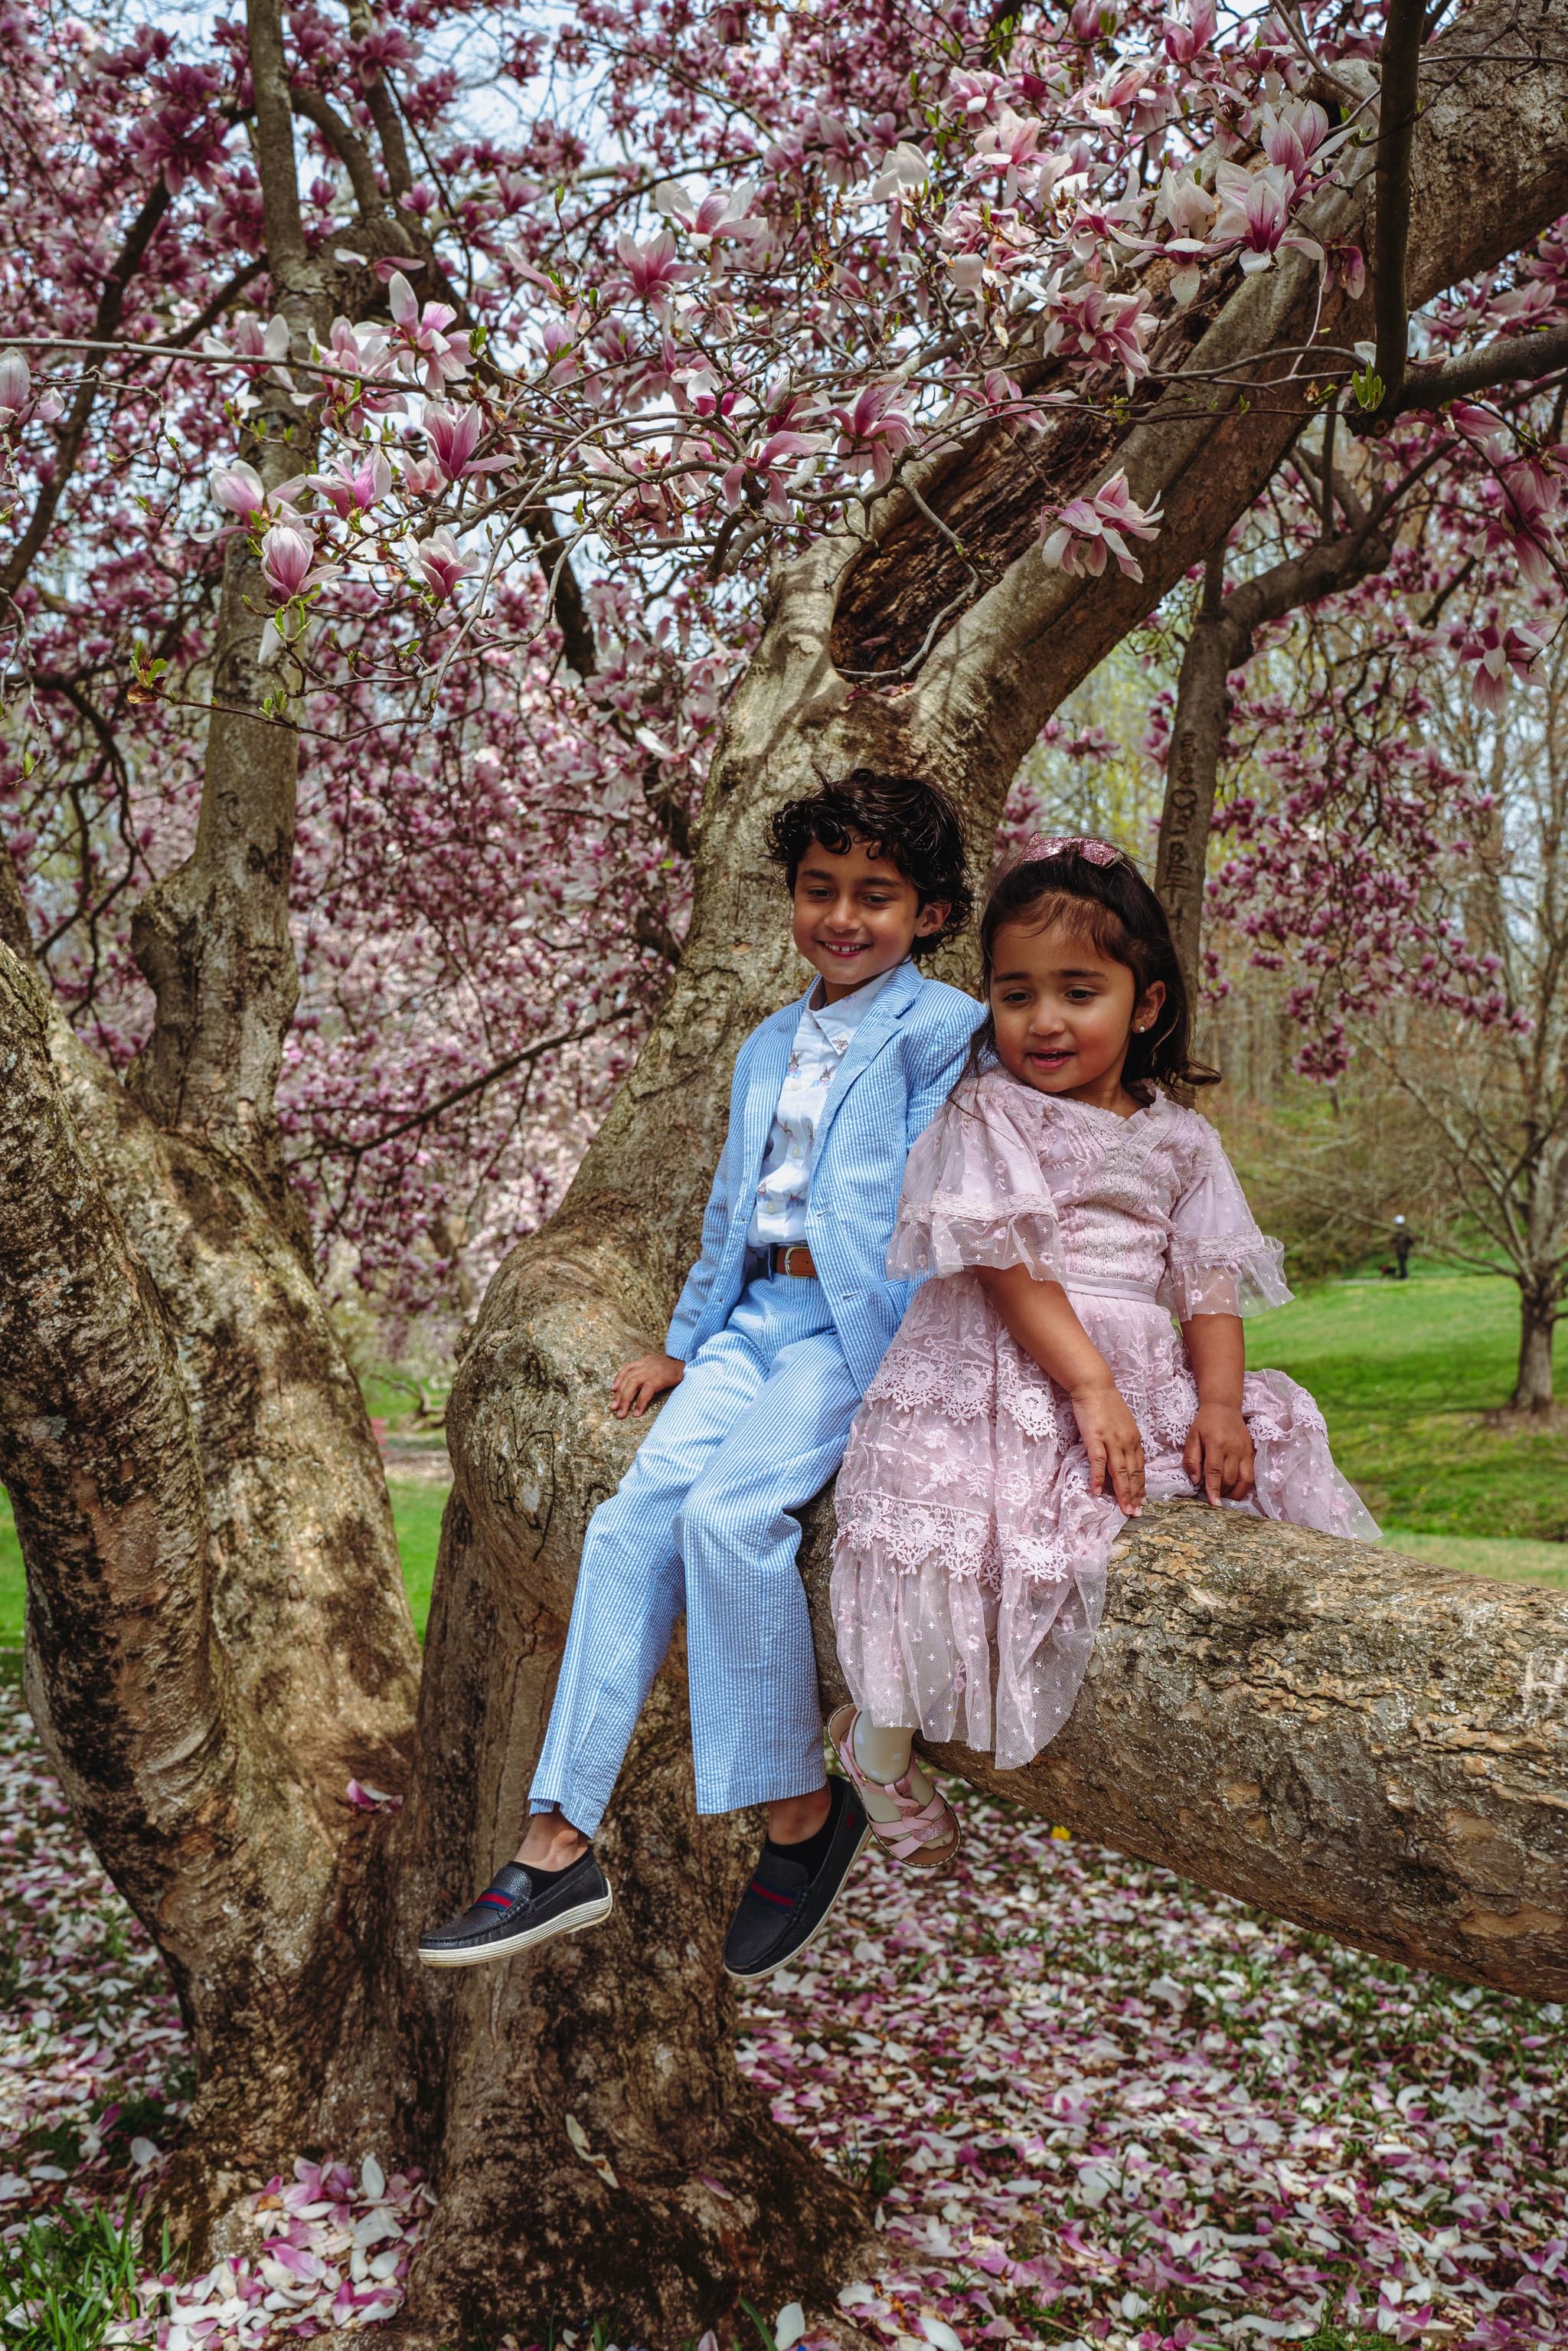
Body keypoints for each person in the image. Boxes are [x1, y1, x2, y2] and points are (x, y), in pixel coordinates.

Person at [420, 770, 984, 1978]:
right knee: (633, 1522)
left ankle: (799, 1811)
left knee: (734, 1516)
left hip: (850, 1322)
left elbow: (960, 1196)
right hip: (754, 1319)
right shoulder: (765, 1042)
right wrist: (686, 1339)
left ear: (928, 915)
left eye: (875, 897)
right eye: (819, 889)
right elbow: (733, 1203)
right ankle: (559, 1838)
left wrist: (929, 1357)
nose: (842, 915)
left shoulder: (943, 1031)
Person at [827, 835, 1377, 1858]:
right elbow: (1006, 1264)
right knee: (946, 1538)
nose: (1042, 1020)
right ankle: (879, 1744)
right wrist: (1085, 1382)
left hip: (1134, 1369)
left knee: (1253, 1455)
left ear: (1148, 1004)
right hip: (1008, 1357)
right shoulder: (990, 1110)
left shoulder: (1182, 1138)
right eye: (1015, 993)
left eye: (1078, 992)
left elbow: (1208, 1283)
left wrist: (1216, 1401)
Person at [1391, 1216, 1413, 1280]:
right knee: (1401, 1263)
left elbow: (1412, 1240)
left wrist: (1408, 1247)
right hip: (1399, 1249)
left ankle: (1405, 1276)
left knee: (1403, 1263)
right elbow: (1394, 1240)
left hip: (1405, 1250)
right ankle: (1402, 1275)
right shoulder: (1398, 1231)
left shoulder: (1406, 1230)